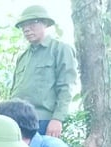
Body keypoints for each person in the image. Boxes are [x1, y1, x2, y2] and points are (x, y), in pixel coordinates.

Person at [10, 5, 77, 138]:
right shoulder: (23, 57)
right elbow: (14, 89)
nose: (26, 29)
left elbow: (66, 86)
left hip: (42, 121)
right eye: (23, 26)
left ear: (45, 23)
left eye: (31, 24)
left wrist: (57, 119)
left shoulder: (60, 49)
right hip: (16, 121)